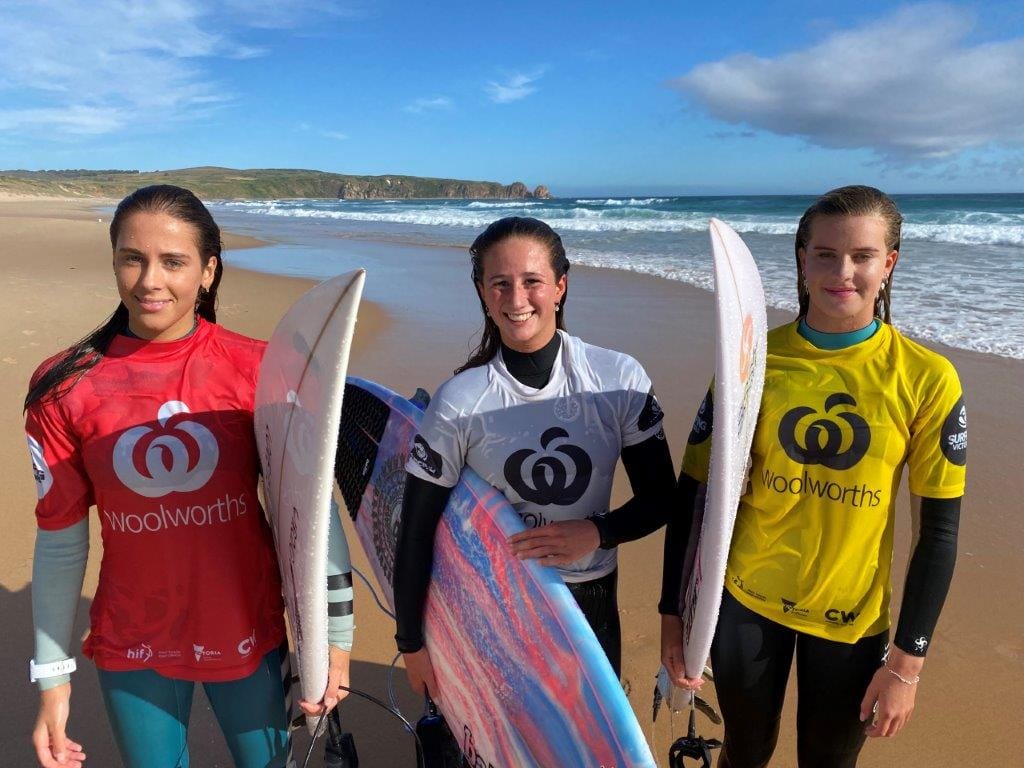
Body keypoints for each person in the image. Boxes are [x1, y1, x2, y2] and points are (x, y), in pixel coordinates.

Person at [25, 185, 355, 768]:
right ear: (114, 260)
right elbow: (60, 538)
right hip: (134, 638)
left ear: (208, 271)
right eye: (133, 258)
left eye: (173, 262)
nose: (150, 280)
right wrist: (52, 677)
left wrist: (335, 641)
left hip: (249, 631)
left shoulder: (260, 370)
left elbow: (310, 510)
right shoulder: (64, 387)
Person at [660, 186, 967, 767]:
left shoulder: (927, 378)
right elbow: (695, 494)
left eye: (862, 256)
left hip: (849, 620)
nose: (842, 272)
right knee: (745, 752)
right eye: (824, 254)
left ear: (889, 263)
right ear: (801, 259)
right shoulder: (750, 360)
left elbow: (938, 533)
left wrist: (906, 665)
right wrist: (675, 618)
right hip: (746, 600)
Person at [393, 216, 677, 695]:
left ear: (561, 286)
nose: (517, 299)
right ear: (482, 293)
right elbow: (416, 530)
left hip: (591, 596)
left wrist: (598, 531)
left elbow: (663, 498)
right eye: (500, 284)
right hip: (495, 599)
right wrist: (412, 643)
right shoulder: (460, 401)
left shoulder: (618, 380)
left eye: (532, 282)